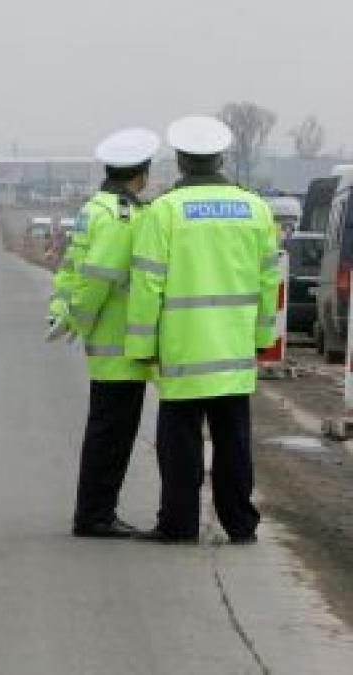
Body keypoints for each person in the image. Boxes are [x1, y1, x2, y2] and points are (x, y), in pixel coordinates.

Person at [126, 116, 280, 544]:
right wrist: (262, 339)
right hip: (233, 351)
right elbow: (269, 281)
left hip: (183, 352)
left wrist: (142, 345)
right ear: (221, 159)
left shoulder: (165, 212)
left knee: (180, 445)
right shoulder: (255, 209)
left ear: (180, 161)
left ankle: (179, 525)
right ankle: (240, 525)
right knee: (234, 445)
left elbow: (147, 283)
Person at [49, 128, 159, 538]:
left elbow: (70, 268)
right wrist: (79, 319)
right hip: (120, 343)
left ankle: (95, 511)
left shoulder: (94, 209)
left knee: (106, 431)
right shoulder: (120, 217)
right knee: (113, 435)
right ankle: (95, 514)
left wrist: (63, 311)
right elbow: (99, 276)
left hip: (108, 343)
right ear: (141, 175)